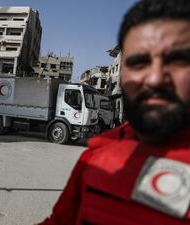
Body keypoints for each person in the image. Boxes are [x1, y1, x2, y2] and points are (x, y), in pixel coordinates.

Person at [39, 0, 190, 224]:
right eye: (139, 62)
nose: (155, 78)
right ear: (123, 74)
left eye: (176, 60)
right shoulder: (94, 157)